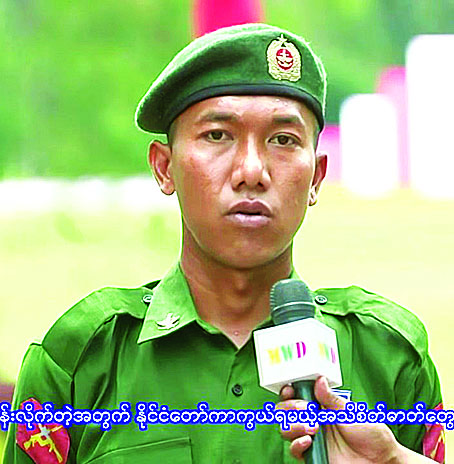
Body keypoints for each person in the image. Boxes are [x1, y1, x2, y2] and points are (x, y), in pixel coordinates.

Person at [2, 23, 445, 464]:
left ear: (317, 177)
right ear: (164, 167)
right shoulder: (83, 358)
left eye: (283, 140)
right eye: (217, 135)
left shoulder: (387, 356)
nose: (252, 171)